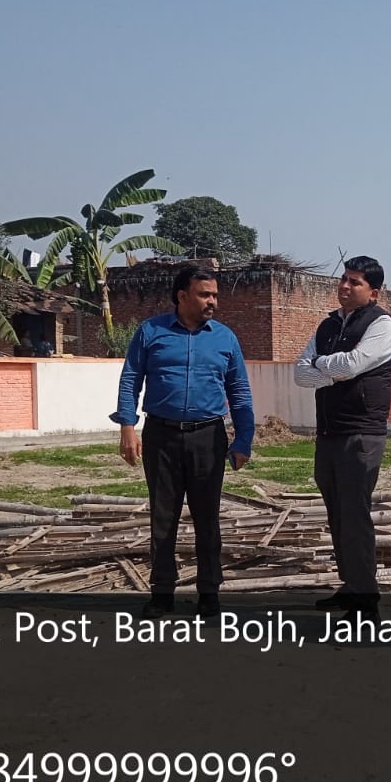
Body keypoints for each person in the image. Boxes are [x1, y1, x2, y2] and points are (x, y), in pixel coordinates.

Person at [111, 265, 254, 619]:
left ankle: (209, 593)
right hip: (161, 436)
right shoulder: (151, 331)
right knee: (163, 516)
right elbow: (131, 379)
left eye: (215, 295)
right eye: (205, 295)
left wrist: (243, 439)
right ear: (182, 296)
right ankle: (162, 592)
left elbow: (239, 390)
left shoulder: (225, 338)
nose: (212, 302)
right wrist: (127, 425)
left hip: (209, 436)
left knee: (207, 517)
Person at [293, 256, 391, 619]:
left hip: (361, 433)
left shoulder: (382, 324)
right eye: (344, 279)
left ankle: (366, 601)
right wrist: (331, 370)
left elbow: (354, 365)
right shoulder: (327, 325)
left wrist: (322, 365)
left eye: (355, 282)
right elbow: (300, 373)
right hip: (328, 432)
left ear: (374, 292)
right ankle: (350, 585)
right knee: (338, 514)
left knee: (355, 515)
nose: (344, 286)